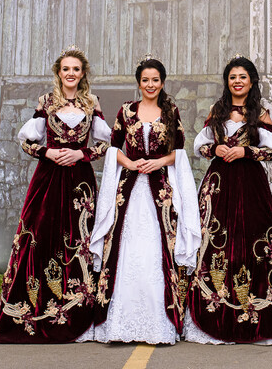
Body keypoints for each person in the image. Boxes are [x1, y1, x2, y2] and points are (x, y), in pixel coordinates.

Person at [0, 46, 111, 343]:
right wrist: (48, 152)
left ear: (82, 74)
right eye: (66, 69)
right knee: (39, 239)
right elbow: (26, 140)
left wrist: (82, 154)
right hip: (47, 180)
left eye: (76, 69)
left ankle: (77, 314)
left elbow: (107, 143)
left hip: (80, 184)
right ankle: (34, 312)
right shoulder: (46, 102)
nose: (71, 73)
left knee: (79, 241)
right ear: (59, 72)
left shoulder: (91, 102)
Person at [82, 57, 200, 345]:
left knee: (157, 249)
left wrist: (158, 161)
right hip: (129, 190)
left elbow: (179, 152)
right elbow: (113, 148)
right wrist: (131, 164)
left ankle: (160, 323)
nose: (150, 84)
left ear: (162, 82)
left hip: (160, 191)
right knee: (125, 248)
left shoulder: (171, 111)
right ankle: (118, 323)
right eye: (145, 80)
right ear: (139, 83)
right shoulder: (126, 110)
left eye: (155, 80)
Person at [183, 56, 272, 345]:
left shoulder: (261, 113)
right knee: (215, 242)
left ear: (251, 81)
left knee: (254, 244)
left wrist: (246, 152)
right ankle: (215, 314)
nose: (237, 81)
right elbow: (199, 145)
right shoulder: (218, 110)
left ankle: (258, 317)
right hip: (219, 185)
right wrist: (216, 150)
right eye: (232, 76)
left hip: (250, 186)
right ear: (227, 81)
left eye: (242, 77)